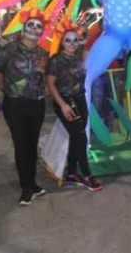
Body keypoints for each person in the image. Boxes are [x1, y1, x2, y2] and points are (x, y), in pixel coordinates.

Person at [0, 7, 49, 206]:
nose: (34, 28)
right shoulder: (9, 49)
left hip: (37, 103)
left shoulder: (43, 53)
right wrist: (4, 91)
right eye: (31, 25)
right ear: (24, 26)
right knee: (21, 144)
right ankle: (26, 187)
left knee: (32, 144)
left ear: (42, 31)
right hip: (15, 104)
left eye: (38, 26)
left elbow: (47, 77)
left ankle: (31, 183)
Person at [45, 19, 103, 191]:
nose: (71, 44)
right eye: (67, 40)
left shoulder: (80, 56)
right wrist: (63, 105)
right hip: (65, 101)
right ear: (62, 42)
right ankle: (87, 175)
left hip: (79, 99)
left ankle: (71, 173)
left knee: (77, 136)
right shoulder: (56, 60)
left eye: (75, 40)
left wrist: (85, 37)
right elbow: (50, 84)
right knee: (80, 137)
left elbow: (93, 49)